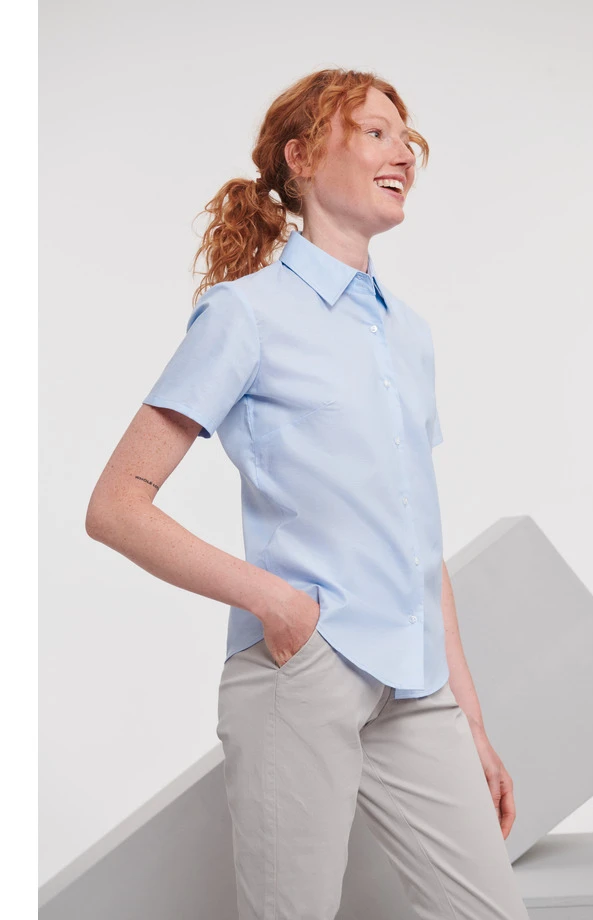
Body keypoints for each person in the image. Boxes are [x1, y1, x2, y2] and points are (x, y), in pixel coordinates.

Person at [86, 68, 529, 920]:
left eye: (406, 137)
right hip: (304, 672)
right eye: (374, 133)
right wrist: (280, 606)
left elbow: (415, 535)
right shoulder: (243, 315)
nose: (402, 153)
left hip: (416, 684)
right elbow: (116, 504)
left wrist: (468, 719)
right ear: (301, 157)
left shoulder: (407, 332)